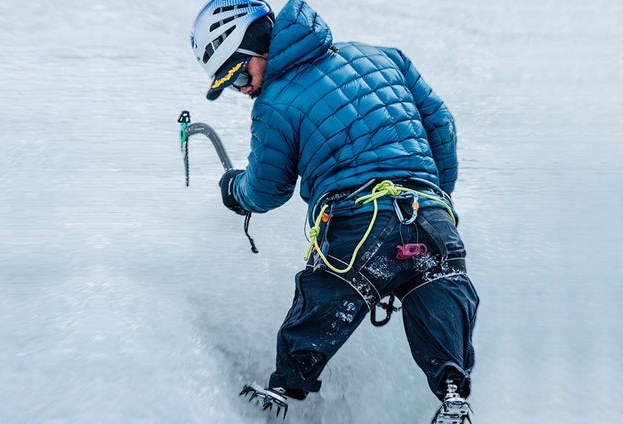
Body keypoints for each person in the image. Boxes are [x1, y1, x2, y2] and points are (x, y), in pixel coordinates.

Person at [190, 0, 479, 422]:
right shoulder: (385, 57)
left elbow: (267, 189)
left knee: (325, 296)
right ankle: (453, 396)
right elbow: (442, 127)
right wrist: (436, 199)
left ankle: (281, 394)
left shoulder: (274, 104)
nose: (243, 91)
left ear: (254, 45)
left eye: (237, 76)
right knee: (439, 290)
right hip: (431, 219)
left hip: (357, 226)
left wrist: (235, 190)